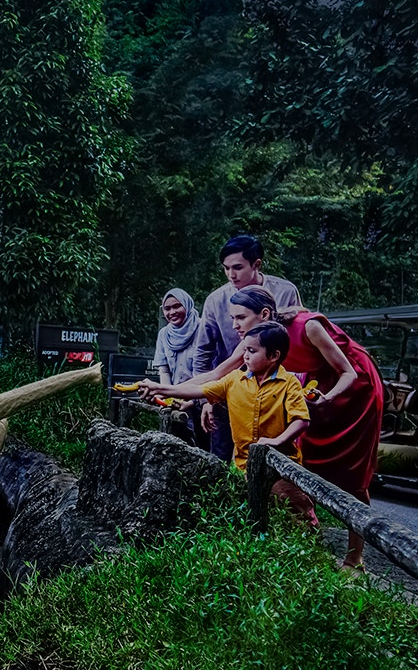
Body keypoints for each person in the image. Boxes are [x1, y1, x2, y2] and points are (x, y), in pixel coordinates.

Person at [180, 285, 383, 570]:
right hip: (313, 389)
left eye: (240, 317)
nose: (234, 325)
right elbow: (218, 374)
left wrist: (328, 398)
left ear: (263, 314)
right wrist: (168, 390)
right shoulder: (255, 341)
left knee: (352, 475)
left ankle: (354, 558)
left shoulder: (308, 327)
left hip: (352, 388)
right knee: (301, 463)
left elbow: (348, 370)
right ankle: (302, 544)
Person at [140, 320, 318, 531]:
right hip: (243, 466)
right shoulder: (234, 379)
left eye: (252, 350)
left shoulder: (289, 383)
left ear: (274, 356)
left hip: (281, 468)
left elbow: (301, 419)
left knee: (297, 517)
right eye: (245, 349)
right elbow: (198, 390)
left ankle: (312, 553)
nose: (245, 355)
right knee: (249, 517)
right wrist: (160, 389)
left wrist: (277, 441)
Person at [192, 235, 301, 461]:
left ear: (257, 264)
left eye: (238, 267)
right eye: (226, 268)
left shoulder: (285, 292)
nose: (231, 275)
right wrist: (206, 401)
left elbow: (297, 339)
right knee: (223, 461)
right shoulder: (215, 301)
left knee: (276, 460)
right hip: (229, 390)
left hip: (274, 393)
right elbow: (203, 354)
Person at [153, 287, 199, 385]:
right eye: (167, 309)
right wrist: (169, 397)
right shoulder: (164, 334)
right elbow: (164, 371)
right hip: (175, 395)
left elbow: (210, 370)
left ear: (187, 305)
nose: (172, 312)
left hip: (202, 395)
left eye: (177, 306)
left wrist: (196, 399)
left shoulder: (204, 329)